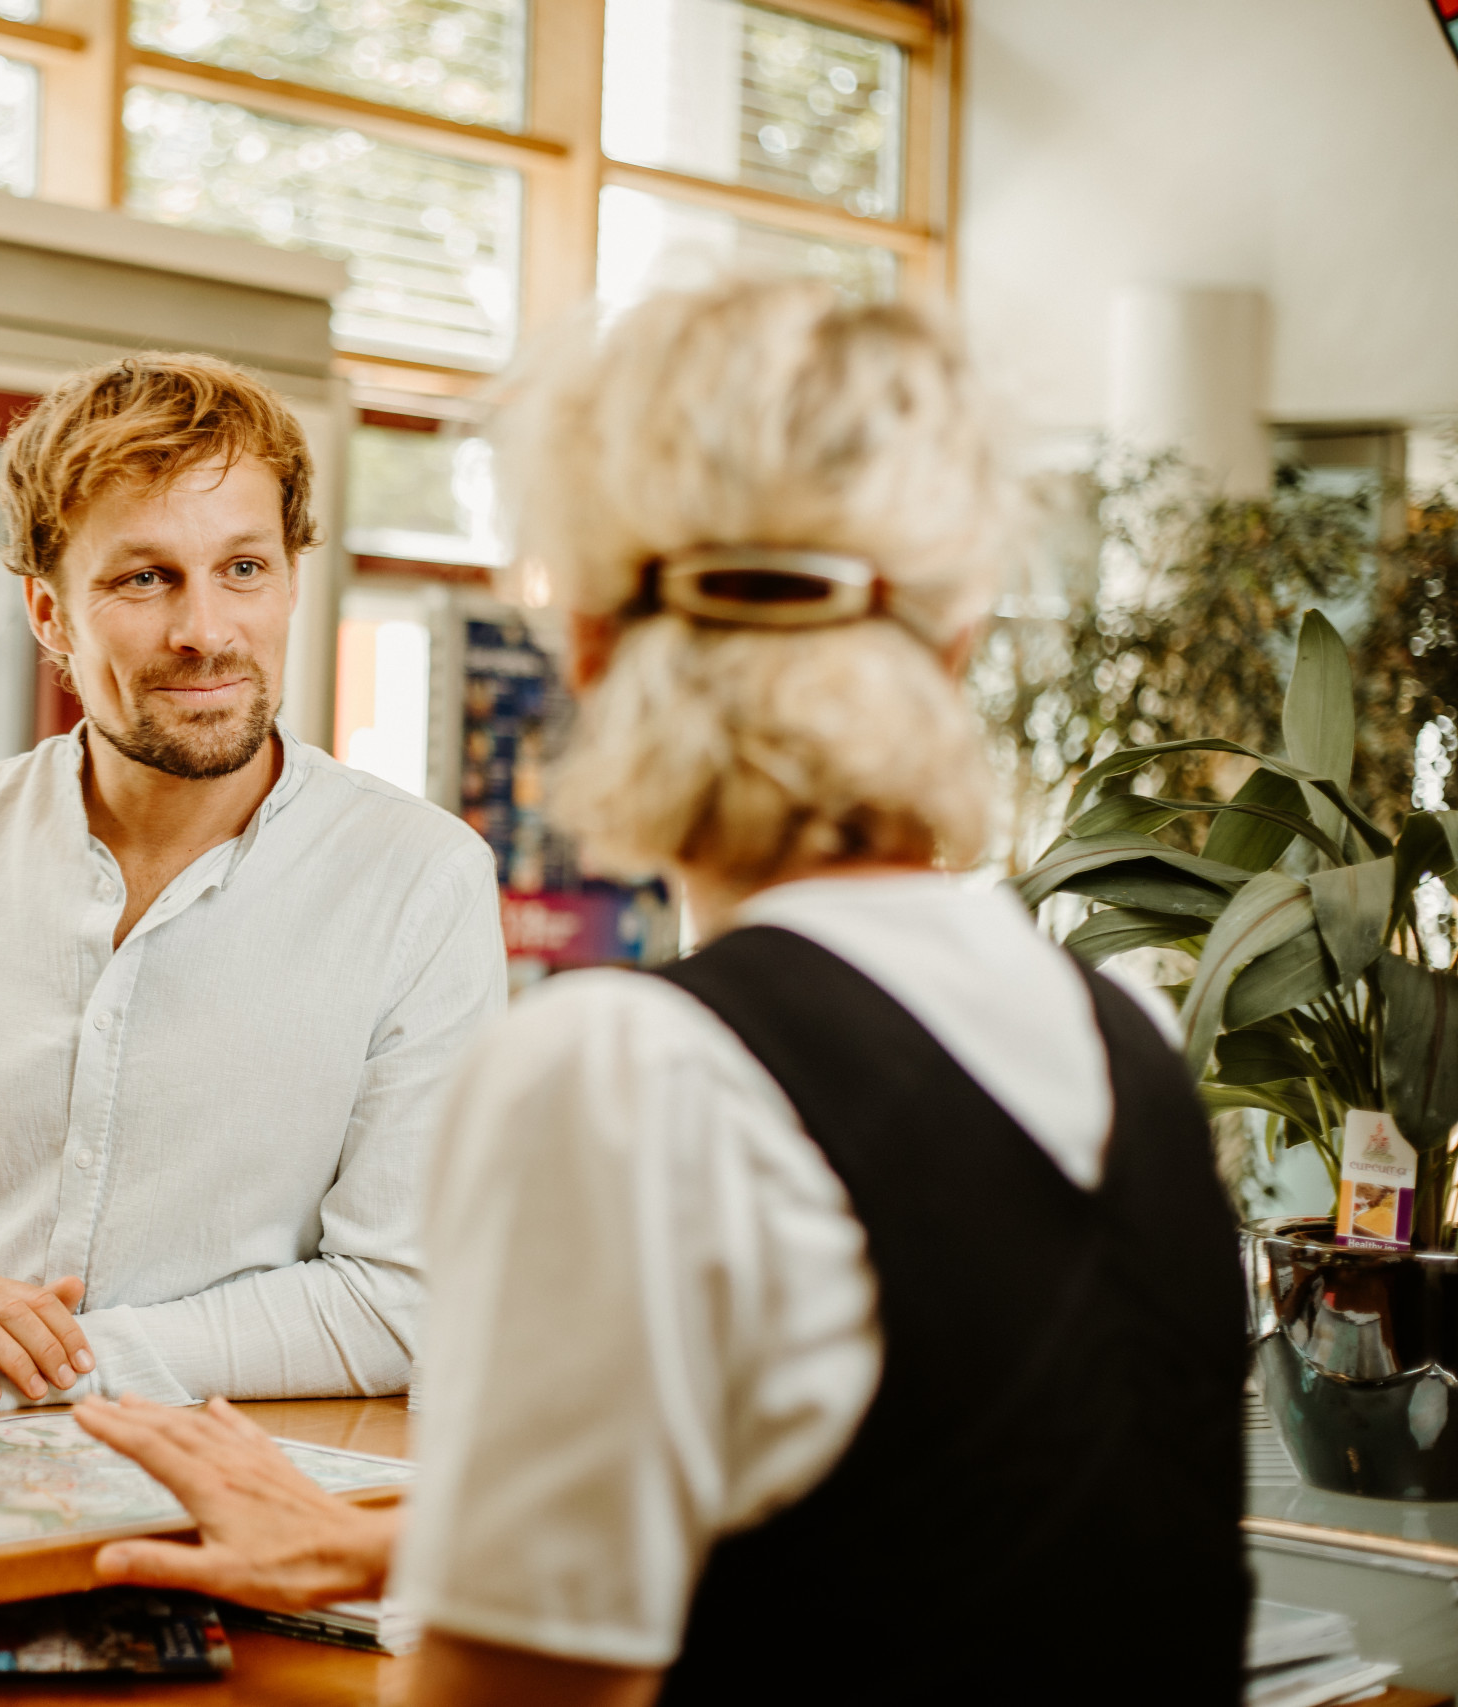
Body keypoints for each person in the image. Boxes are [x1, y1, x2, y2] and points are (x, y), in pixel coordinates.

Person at [75, 281, 1248, 1702]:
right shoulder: (1122, 1041)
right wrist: (428, 1542)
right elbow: (944, 1518)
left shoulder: (637, 1071)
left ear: (592, 652)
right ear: (950, 640)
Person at [0, 353, 508, 1424]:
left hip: (228, 1535)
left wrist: (60, 1364)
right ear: (49, 614)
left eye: (243, 569)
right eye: (143, 578)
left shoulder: (419, 880)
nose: (205, 632)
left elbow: (405, 1298)